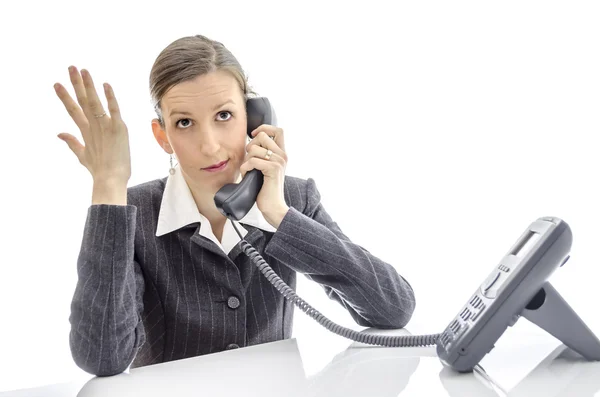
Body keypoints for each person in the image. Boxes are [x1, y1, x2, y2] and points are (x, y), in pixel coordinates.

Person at [54, 34, 416, 377]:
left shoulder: (294, 199)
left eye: (224, 116)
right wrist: (108, 185)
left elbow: (393, 307)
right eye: (184, 123)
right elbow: (101, 356)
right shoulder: (131, 212)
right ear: (162, 136)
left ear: (254, 119)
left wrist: (279, 216)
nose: (209, 146)